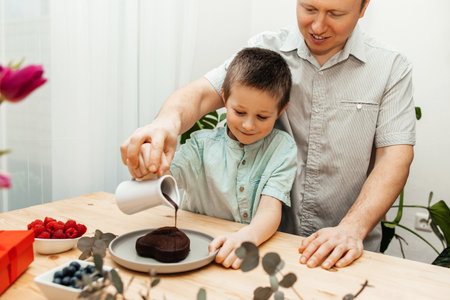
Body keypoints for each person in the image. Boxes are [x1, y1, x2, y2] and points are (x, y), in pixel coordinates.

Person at [121, 0, 416, 270]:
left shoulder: (390, 67)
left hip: (346, 250)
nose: (317, 26)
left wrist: (352, 228)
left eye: (335, 14)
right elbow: (201, 94)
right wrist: (164, 125)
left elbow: (395, 156)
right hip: (269, 244)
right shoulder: (265, 49)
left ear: (364, 7)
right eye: (309, 8)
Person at [128, 48, 298, 269]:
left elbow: (270, 209)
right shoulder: (201, 145)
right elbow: (167, 177)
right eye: (239, 112)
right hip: (193, 251)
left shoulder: (281, 149)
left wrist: (249, 236)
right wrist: (149, 164)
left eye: (262, 116)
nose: (248, 125)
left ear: (281, 109)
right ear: (225, 99)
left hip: (244, 253)